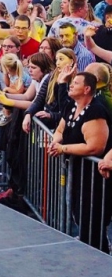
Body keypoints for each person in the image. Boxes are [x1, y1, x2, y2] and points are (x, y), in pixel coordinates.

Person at [48, 72, 112, 253]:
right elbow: (60, 129)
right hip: (78, 170)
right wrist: (56, 141)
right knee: (77, 210)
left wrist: (63, 149)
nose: (71, 85)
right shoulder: (71, 106)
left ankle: (98, 253)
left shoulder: (96, 111)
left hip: (96, 175)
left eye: (75, 83)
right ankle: (88, 246)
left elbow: (95, 147)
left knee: (92, 217)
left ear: (87, 89)